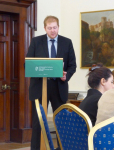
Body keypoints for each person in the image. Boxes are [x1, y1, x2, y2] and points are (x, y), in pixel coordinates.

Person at [26, 16, 76, 150]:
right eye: (50, 28)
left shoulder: (67, 42)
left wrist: (67, 75)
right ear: (45, 28)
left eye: (55, 27)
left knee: (61, 121)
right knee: (38, 122)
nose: (53, 30)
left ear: (58, 27)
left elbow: (72, 66)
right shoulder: (36, 41)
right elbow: (28, 64)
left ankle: (62, 148)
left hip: (59, 86)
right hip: (39, 87)